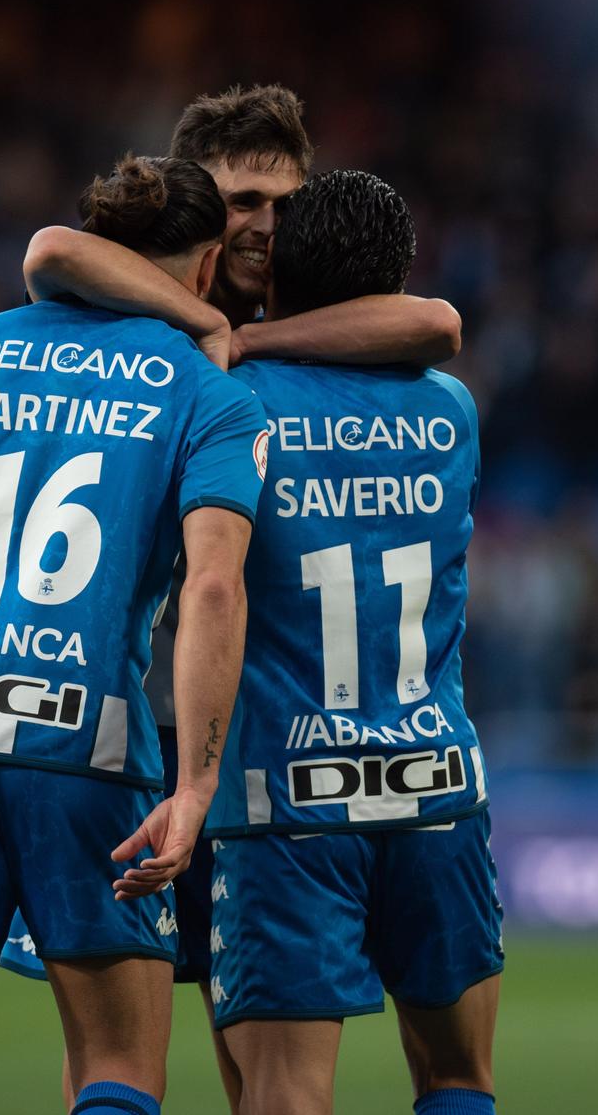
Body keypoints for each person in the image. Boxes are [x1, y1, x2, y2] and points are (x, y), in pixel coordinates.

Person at [5, 84, 464, 1110]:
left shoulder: (304, 329)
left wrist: (245, 342)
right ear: (191, 204)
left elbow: (436, 321)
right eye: (240, 200)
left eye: (281, 202)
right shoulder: (142, 299)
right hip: (155, 736)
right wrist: (200, 315)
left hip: (281, 757)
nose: (263, 225)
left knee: (254, 1072)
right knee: (123, 1059)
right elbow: (48, 253)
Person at [0, 155, 269, 1115]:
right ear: (202, 269)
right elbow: (216, 590)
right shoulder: (208, 394)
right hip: (85, 743)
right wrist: (194, 785)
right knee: (116, 1063)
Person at [209, 171, 500, 1115]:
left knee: (287, 1092)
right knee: (459, 1079)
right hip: (435, 780)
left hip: (288, 794)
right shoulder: (451, 412)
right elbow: (426, 329)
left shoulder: (235, 398)